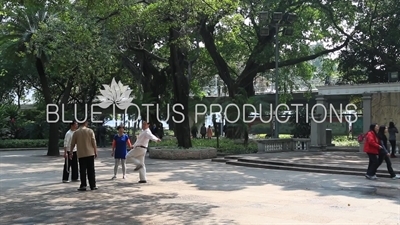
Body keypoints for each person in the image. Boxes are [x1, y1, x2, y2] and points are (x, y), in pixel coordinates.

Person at [70, 119, 98, 191]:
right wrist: (95, 151)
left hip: (81, 154)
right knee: (91, 170)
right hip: (90, 153)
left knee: (82, 170)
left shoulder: (76, 132)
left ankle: (83, 185)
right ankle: (93, 185)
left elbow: (72, 143)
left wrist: (71, 152)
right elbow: (93, 142)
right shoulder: (90, 131)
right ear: (85, 123)